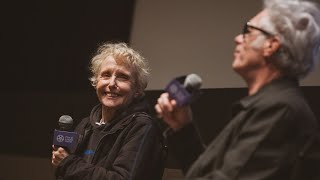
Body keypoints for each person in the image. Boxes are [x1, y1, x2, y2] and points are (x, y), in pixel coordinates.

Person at [155, 0, 320, 179]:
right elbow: (208, 173)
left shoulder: (279, 110)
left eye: (248, 31)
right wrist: (183, 127)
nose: (238, 38)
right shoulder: (270, 106)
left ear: (271, 45)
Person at [52, 42, 165, 180]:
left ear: (137, 89)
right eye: (106, 75)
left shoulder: (143, 128)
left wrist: (68, 163)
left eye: (123, 77)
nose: (111, 84)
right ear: (96, 82)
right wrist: (63, 162)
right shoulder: (85, 125)